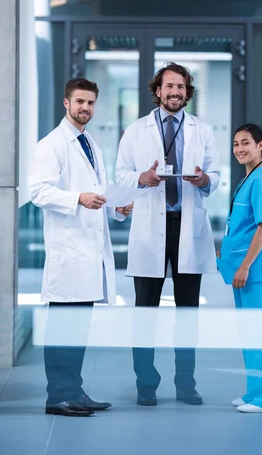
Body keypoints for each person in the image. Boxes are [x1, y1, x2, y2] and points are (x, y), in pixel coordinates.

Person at [115, 62, 220, 406]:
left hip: (187, 227)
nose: (175, 92)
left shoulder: (202, 130)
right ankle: (146, 384)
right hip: (149, 227)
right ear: (157, 91)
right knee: (145, 311)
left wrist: (205, 180)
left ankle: (185, 384)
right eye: (169, 86)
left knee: (187, 312)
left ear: (188, 93)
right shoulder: (135, 130)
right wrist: (140, 179)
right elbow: (122, 173)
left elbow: (215, 173)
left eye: (181, 87)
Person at [28, 78, 132, 417]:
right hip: (69, 253)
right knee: (63, 328)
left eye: (90, 103)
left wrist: (116, 207)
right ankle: (58, 396)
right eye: (80, 102)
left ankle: (74, 390)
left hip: (88, 252)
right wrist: (78, 199)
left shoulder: (90, 144)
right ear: (66, 103)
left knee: (77, 328)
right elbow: (38, 192)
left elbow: (96, 191)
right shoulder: (52, 145)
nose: (85, 108)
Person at [217, 123, 262, 414]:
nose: (240, 149)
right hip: (244, 270)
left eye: (246, 143)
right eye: (235, 144)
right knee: (249, 333)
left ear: (260, 145)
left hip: (256, 271)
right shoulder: (249, 178)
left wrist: (244, 266)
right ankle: (255, 393)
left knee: (261, 334)